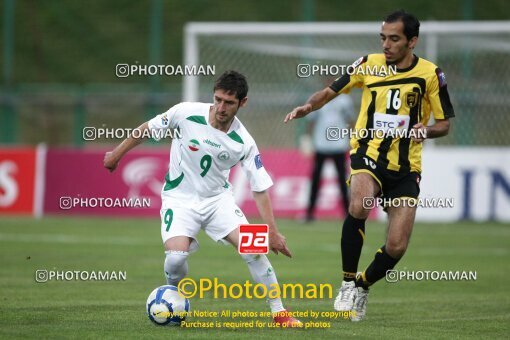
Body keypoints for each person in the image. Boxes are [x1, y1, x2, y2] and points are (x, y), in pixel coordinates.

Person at [284, 10, 454, 321]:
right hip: (367, 152)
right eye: (383, 38)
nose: (386, 44)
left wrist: (425, 130)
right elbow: (331, 90)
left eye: (394, 39)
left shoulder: (431, 75)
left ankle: (363, 284)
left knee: (397, 245)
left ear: (412, 41)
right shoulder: (367, 64)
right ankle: (347, 282)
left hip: (406, 166)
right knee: (360, 205)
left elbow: (444, 124)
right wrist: (309, 106)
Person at [104, 70, 302, 327]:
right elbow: (148, 129)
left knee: (253, 249)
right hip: (179, 199)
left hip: (218, 201)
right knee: (175, 259)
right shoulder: (185, 113)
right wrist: (116, 154)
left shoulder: (243, 141)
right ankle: (173, 295)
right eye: (218, 99)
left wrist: (272, 232)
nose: (221, 107)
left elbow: (260, 188)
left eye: (229, 102)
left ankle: (280, 313)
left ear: (243, 102)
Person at [303, 93, 355, 222]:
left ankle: (347, 213)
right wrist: (307, 138)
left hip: (339, 145)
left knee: (343, 180)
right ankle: (309, 213)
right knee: (315, 179)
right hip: (321, 145)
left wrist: (353, 138)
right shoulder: (318, 97)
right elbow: (311, 120)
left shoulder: (344, 100)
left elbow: (350, 120)